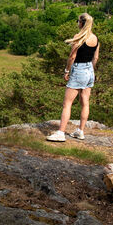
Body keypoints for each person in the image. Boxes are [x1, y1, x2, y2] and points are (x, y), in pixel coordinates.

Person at [46, 13, 99, 141]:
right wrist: (90, 69)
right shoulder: (95, 38)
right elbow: (95, 57)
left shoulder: (78, 37)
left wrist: (67, 70)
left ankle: (61, 133)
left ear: (81, 23)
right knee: (85, 102)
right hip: (90, 70)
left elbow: (72, 57)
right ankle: (80, 131)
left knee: (67, 103)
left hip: (79, 69)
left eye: (78, 21)